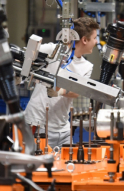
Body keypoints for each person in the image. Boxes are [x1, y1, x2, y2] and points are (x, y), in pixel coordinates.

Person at [24, 17, 99, 148]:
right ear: (85, 40)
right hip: (38, 123)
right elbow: (26, 54)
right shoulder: (53, 50)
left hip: (63, 128)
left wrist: (60, 91)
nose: (96, 41)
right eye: (94, 38)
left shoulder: (87, 66)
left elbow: (77, 92)